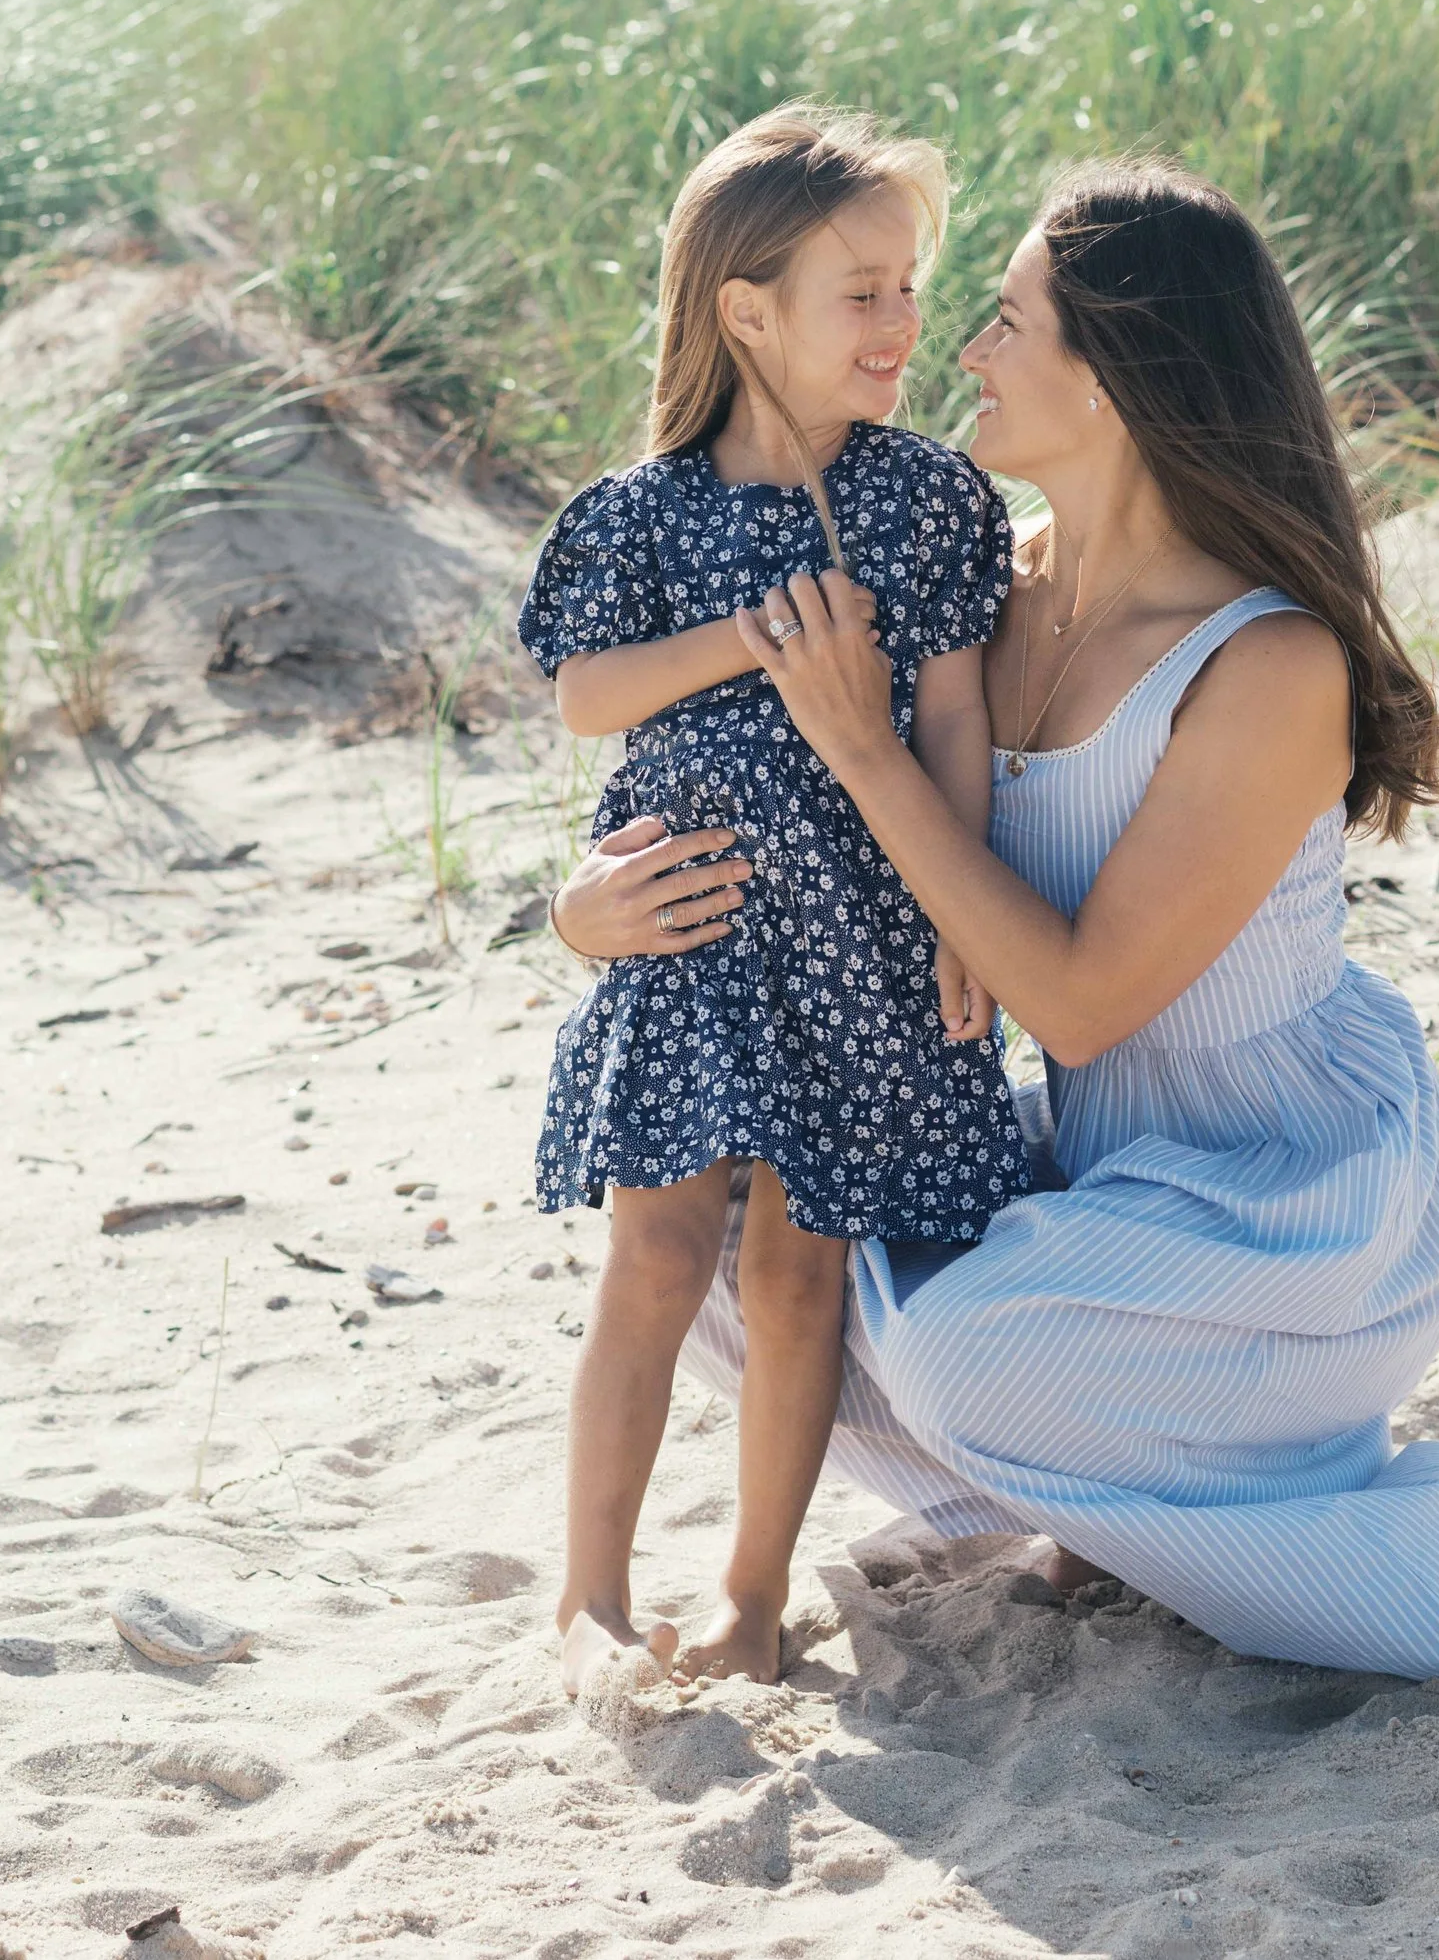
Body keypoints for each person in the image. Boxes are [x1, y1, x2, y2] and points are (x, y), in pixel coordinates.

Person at [555, 156, 1439, 1705]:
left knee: (959, 1351)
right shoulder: (993, 585)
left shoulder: (1266, 661)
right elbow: (720, 785)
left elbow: (1083, 1004)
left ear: (1115, 378)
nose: (956, 347)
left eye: (1006, 321)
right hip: (1097, 1158)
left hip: (1288, 1186)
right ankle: (1105, 1499)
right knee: (711, 1238)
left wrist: (866, 749)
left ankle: (1274, 1513)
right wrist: (588, 912)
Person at [520, 103, 1030, 1691]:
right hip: (698, 930)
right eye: (861, 290)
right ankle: (589, 1592)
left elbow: (954, 717)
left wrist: (963, 909)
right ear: (747, 311)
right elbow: (587, 696)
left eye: (910, 286)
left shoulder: (929, 499)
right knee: (658, 1262)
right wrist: (754, 636)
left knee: (801, 1270)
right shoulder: (638, 513)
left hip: (868, 942)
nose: (903, 322)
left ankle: (750, 1597)